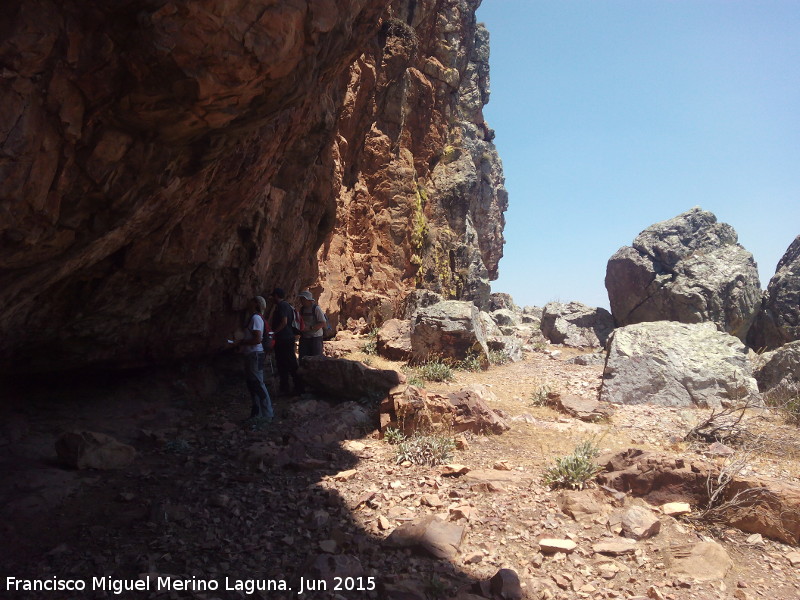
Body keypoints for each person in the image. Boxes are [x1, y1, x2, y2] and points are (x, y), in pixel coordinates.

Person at [235, 296, 273, 421]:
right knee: (253, 384)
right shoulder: (255, 317)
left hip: (255, 354)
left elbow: (257, 339)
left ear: (256, 303)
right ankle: (258, 413)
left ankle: (267, 414)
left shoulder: (256, 318)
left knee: (258, 383)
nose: (248, 302)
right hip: (253, 354)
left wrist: (242, 342)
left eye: (251, 301)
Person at [270, 287, 303, 396]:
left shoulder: (282, 306)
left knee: (288, 362)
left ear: (276, 296)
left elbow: (284, 322)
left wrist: (274, 332)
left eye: (273, 296)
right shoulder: (287, 305)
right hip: (286, 338)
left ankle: (297, 386)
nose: (272, 298)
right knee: (284, 362)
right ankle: (287, 387)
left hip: (284, 338)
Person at [298, 290, 326, 359]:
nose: (301, 301)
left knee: (316, 358)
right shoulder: (302, 309)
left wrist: (310, 328)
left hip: (315, 338)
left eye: (303, 299)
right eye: (301, 299)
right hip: (304, 337)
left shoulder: (316, 309)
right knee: (303, 358)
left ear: (308, 300)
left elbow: (323, 323)